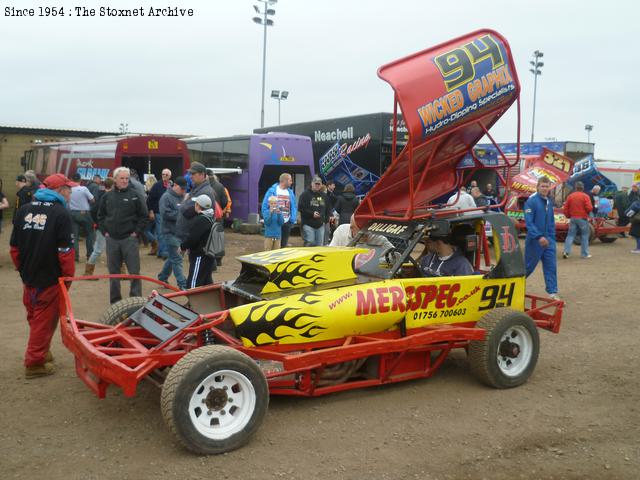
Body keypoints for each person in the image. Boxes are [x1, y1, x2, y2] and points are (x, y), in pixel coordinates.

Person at [9, 173, 75, 378]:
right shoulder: (62, 214)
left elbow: (14, 248)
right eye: (69, 189)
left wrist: (23, 270)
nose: (71, 193)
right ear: (60, 191)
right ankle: (34, 364)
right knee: (44, 320)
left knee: (34, 316)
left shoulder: (23, 210)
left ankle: (42, 352)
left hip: (29, 277)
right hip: (50, 278)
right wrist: (67, 278)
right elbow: (65, 252)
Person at [97, 167, 148, 304]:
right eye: (122, 178)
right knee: (114, 274)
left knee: (134, 273)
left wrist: (136, 233)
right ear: (115, 180)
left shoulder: (135, 195)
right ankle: (115, 302)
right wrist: (105, 232)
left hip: (129, 240)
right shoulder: (107, 196)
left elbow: (144, 216)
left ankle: (136, 301)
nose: (125, 181)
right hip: (112, 239)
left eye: (127, 178)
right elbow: (100, 216)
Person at [524, 176, 560, 300]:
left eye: (547, 186)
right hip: (535, 241)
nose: (545, 189)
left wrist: (552, 238)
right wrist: (538, 236)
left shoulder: (549, 201)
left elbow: (550, 221)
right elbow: (529, 222)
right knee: (528, 266)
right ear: (538, 187)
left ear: (550, 187)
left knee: (551, 266)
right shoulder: (531, 201)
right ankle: (514, 286)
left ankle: (552, 293)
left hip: (549, 240)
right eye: (543, 186)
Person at [176, 162, 218, 268]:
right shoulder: (197, 189)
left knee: (196, 277)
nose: (191, 176)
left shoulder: (204, 192)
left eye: (193, 174)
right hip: (198, 241)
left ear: (202, 174)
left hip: (199, 243)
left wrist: (184, 202)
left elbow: (187, 211)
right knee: (204, 277)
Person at [158, 177, 188, 289]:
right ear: (175, 185)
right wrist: (182, 214)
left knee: (174, 257)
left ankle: (162, 277)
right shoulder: (166, 197)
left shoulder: (183, 197)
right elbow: (165, 214)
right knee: (177, 258)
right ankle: (183, 284)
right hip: (169, 232)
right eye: (182, 189)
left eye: (185, 189)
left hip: (181, 233)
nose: (183, 191)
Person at [181, 195, 216, 288]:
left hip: (200, 255)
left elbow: (192, 238)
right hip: (209, 255)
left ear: (197, 205)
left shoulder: (201, 219)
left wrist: (182, 246)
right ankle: (210, 301)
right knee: (206, 281)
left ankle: (193, 302)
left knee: (193, 283)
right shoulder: (211, 217)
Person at [85, 177, 114, 276]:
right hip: (105, 227)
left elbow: (93, 210)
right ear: (113, 185)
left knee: (110, 248)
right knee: (98, 249)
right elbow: (94, 211)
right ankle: (88, 272)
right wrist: (100, 223)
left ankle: (119, 271)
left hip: (103, 226)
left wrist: (97, 223)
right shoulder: (107, 196)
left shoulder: (99, 195)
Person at [261, 173, 297, 248]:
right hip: (275, 222)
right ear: (284, 181)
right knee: (272, 246)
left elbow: (293, 206)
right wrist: (267, 216)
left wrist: (292, 219)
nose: (291, 182)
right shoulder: (272, 191)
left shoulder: (290, 192)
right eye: (290, 180)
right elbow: (265, 206)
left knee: (283, 245)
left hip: (287, 222)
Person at [562, 181, 593, 259]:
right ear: (583, 188)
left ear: (575, 188)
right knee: (585, 236)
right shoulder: (585, 196)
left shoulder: (570, 196)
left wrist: (568, 216)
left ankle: (566, 252)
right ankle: (584, 254)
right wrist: (587, 213)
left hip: (573, 218)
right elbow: (589, 208)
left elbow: (565, 208)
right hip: (582, 218)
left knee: (570, 235)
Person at [69, 173, 95, 263]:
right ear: (80, 180)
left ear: (71, 180)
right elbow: (92, 199)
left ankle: (75, 257)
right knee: (90, 234)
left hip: (72, 213)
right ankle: (90, 255)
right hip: (84, 213)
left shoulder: (69, 189)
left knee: (74, 237)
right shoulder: (84, 188)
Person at [298, 175, 330, 246]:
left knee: (319, 245)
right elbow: (301, 208)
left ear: (321, 185)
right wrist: (312, 214)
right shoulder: (305, 195)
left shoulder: (324, 196)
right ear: (312, 184)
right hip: (308, 223)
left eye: (319, 184)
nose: (317, 185)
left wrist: (326, 220)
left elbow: (328, 209)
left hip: (320, 224)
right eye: (316, 184)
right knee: (310, 241)